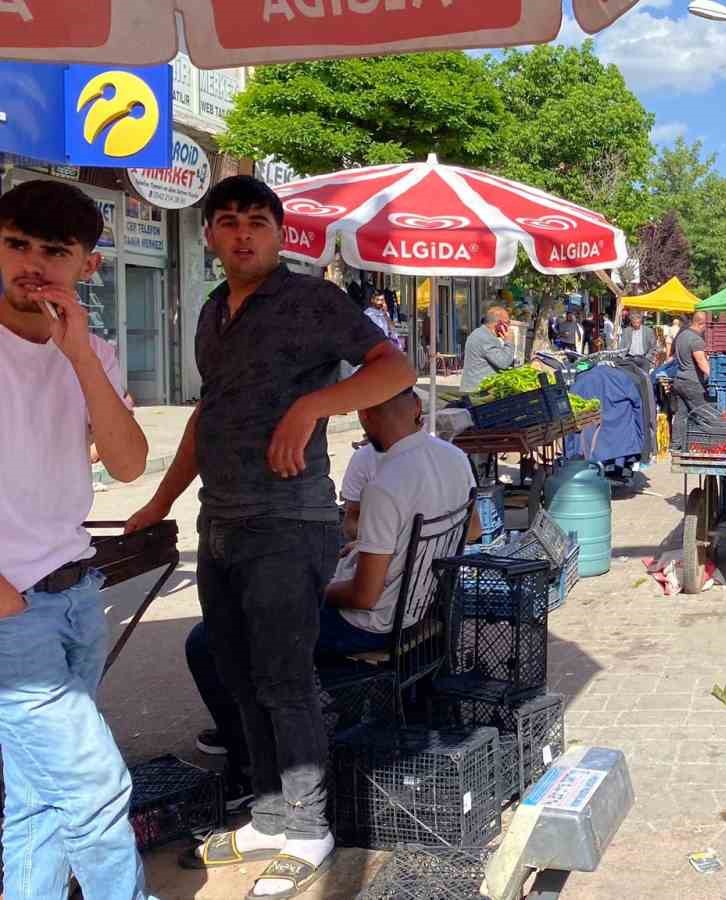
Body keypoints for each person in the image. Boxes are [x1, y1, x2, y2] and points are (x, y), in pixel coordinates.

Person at [125, 175, 414, 894]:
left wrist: (314, 405)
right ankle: (268, 812)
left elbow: (394, 368)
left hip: (289, 525)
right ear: (211, 237)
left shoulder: (314, 299)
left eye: (257, 220)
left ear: (280, 234)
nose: (243, 233)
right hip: (219, 524)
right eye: (228, 222)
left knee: (286, 682)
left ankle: (310, 829)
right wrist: (161, 499)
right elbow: (206, 417)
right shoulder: (212, 311)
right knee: (238, 675)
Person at [186, 392, 480, 793]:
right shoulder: (453, 458)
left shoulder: (386, 484)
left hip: (375, 625)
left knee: (208, 640)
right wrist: (376, 550)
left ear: (365, 416)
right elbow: (474, 530)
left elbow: (363, 598)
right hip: (428, 605)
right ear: (416, 409)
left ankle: (248, 756)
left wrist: (311, 591)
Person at [0, 179, 152, 898]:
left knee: (37, 802)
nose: (31, 263)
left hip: (76, 592)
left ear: (87, 265)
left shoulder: (93, 351)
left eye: (53, 251)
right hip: (10, 612)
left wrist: (81, 358)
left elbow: (125, 462)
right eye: (15, 244)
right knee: (93, 789)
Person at [670, 311, 712, 441]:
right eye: (706, 326)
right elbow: (701, 362)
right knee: (706, 414)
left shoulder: (682, 335)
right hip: (693, 383)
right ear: (701, 324)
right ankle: (704, 444)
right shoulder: (696, 340)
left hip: (679, 379)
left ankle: (676, 446)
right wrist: (713, 377)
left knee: (681, 415)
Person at [461, 305, 515, 393]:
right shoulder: (486, 338)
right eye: (508, 323)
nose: (509, 327)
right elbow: (504, 363)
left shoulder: (480, 333)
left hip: (475, 389)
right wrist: (509, 342)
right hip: (479, 392)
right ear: (499, 324)